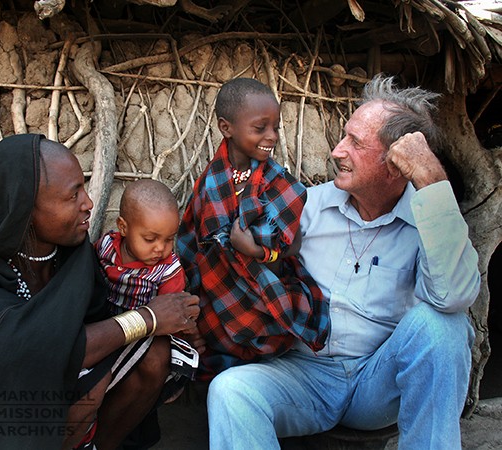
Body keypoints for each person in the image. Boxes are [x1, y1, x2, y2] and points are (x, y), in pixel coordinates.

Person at [206, 74, 480, 450]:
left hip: (376, 381)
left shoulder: (428, 221)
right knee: (230, 390)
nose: (336, 151)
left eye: (355, 142)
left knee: (442, 327)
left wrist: (431, 178)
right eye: (343, 136)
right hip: (303, 374)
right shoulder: (306, 205)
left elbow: (455, 297)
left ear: (395, 164)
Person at [0, 134, 200, 450]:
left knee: (152, 355)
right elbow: (22, 354)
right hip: (15, 418)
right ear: (24, 208)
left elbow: (97, 324)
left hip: (80, 398)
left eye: (83, 189)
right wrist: (148, 317)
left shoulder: (74, 258)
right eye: (72, 196)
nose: (88, 204)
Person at [176, 77, 330, 380]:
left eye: (276, 128)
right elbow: (191, 246)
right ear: (226, 128)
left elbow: (293, 244)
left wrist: (257, 251)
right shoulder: (210, 183)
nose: (271, 136)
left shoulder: (279, 182)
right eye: (260, 128)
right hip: (217, 300)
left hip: (266, 296)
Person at [95, 179, 186, 315]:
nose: (160, 248)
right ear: (123, 228)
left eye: (169, 239)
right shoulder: (106, 245)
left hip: (147, 331)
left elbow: (171, 314)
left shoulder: (168, 272)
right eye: (150, 239)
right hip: (103, 323)